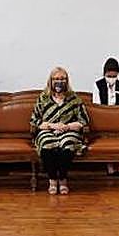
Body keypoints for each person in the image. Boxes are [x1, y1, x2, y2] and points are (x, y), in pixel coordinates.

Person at [31, 67, 89, 195]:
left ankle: (63, 179)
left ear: (67, 81)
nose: (59, 82)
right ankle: (52, 180)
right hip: (48, 130)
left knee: (68, 144)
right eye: (56, 79)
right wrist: (52, 126)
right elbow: (35, 120)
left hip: (68, 130)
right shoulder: (43, 98)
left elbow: (83, 121)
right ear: (51, 81)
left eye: (62, 79)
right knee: (47, 144)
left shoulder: (74, 98)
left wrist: (67, 126)